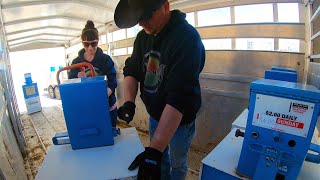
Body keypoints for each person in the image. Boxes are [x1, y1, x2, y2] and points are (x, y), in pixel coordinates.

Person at [114, 0, 205, 179]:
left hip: (181, 120)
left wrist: (153, 152)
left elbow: (179, 98)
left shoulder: (187, 38)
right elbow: (131, 69)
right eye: (139, 19)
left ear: (166, 6)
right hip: (155, 115)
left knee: (177, 161)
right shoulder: (142, 37)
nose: (142, 23)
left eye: (147, 16)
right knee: (160, 160)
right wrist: (129, 102)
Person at [68, 20, 118, 129]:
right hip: (86, 108)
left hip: (107, 106)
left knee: (109, 134)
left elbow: (112, 83)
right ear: (82, 43)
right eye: (86, 44)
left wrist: (99, 97)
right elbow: (71, 86)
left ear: (98, 41)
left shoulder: (105, 60)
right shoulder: (76, 63)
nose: (90, 48)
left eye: (93, 43)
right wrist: (77, 80)